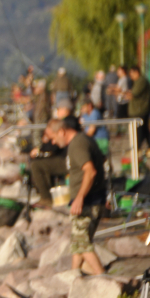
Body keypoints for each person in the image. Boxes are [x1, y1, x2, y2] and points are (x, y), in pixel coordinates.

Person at [52, 116, 107, 275]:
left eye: (54, 137)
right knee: (78, 243)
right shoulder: (83, 140)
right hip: (93, 199)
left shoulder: (77, 144)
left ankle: (105, 280)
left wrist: (80, 197)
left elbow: (90, 171)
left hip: (87, 202)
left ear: (61, 131)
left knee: (82, 245)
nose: (54, 142)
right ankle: (73, 277)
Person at [30, 119, 68, 207]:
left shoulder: (68, 122)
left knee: (36, 165)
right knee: (39, 163)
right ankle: (46, 196)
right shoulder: (66, 124)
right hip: (63, 157)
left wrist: (41, 148)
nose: (53, 141)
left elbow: (54, 147)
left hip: (65, 159)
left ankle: (46, 197)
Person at [127, 65, 150, 151]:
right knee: (145, 129)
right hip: (139, 109)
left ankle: (137, 148)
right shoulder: (138, 81)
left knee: (139, 131)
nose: (131, 77)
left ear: (136, 72)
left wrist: (121, 92)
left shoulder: (141, 81)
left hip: (141, 109)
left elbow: (134, 93)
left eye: (132, 74)